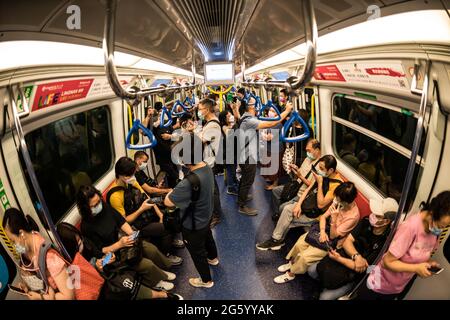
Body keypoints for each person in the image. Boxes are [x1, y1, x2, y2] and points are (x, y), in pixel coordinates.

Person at [77, 185, 176, 292]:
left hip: (124, 240)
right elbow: (99, 251)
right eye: (94, 205)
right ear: (86, 208)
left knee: (151, 249)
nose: (98, 206)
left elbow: (121, 221)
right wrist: (119, 245)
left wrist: (132, 234)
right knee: (146, 265)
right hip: (112, 254)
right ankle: (157, 281)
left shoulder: (104, 207)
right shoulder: (86, 227)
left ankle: (161, 271)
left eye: (98, 202)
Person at [357, 191, 450, 300]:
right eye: (441, 225)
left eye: (445, 227)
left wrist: (428, 263)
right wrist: (416, 268)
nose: (441, 229)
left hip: (397, 287)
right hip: (378, 285)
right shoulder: (410, 227)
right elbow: (387, 262)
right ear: (432, 213)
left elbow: (423, 253)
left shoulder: (435, 232)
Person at [57, 222, 183, 300]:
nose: (81, 243)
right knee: (128, 283)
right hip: (102, 281)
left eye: (80, 240)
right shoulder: (71, 264)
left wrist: (107, 259)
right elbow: (87, 279)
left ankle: (160, 281)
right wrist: (98, 268)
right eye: (77, 242)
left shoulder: (86, 242)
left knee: (148, 251)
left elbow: (99, 253)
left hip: (108, 268)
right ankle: (162, 294)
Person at [308, 198, 398, 300]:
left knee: (324, 297)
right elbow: (347, 242)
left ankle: (329, 287)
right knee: (311, 271)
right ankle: (323, 284)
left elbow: (362, 268)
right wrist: (357, 256)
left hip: (351, 273)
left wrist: (338, 259)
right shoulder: (366, 222)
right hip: (344, 256)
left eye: (377, 215)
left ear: (386, 221)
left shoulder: (385, 243)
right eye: (373, 213)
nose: (372, 216)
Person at [274, 182, 360, 283]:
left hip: (333, 242)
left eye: (339, 200)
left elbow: (333, 236)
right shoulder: (338, 201)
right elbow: (323, 217)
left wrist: (333, 219)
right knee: (300, 243)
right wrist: (323, 231)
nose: (336, 201)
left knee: (305, 257)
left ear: (347, 202)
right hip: (324, 230)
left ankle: (291, 273)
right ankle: (292, 262)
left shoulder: (353, 216)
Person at [164, 133, 219, 288]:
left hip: (193, 225)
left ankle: (206, 281)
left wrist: (172, 191)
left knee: (197, 252)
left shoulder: (188, 182)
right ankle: (213, 258)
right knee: (208, 238)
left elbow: (168, 202)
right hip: (206, 216)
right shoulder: (207, 168)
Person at [257, 155, 342, 251]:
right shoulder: (324, 175)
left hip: (316, 215)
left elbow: (321, 204)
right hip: (308, 205)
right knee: (287, 208)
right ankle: (276, 240)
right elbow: (308, 190)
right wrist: (298, 205)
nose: (319, 170)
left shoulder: (336, 185)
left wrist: (320, 183)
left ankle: (277, 240)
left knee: (287, 219)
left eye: (322, 168)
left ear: (330, 170)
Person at [107, 157, 182, 265]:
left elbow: (147, 197)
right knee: (167, 227)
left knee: (171, 212)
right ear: (122, 175)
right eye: (131, 174)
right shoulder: (115, 196)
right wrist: (141, 209)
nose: (133, 177)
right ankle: (166, 255)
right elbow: (124, 222)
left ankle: (168, 240)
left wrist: (160, 214)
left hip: (146, 213)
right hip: (136, 224)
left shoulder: (130, 182)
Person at [236, 98, 293, 216]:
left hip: (244, 154)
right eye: (255, 103)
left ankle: (242, 196)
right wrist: (287, 111)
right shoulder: (249, 120)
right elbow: (271, 123)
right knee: (248, 180)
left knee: (244, 179)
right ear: (251, 107)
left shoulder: (245, 117)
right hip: (248, 157)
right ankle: (242, 205)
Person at [2, 208, 74, 300]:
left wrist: (41, 297)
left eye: (13, 241)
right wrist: (27, 288)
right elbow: (40, 282)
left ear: (21, 234)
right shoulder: (25, 253)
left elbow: (69, 296)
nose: (13, 246)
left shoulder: (49, 257)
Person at [270, 139, 321, 221]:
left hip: (302, 192)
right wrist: (296, 169)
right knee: (275, 191)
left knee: (283, 207)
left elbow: (311, 186)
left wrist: (300, 176)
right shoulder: (308, 159)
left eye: (309, 150)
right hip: (296, 186)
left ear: (317, 150)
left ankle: (281, 215)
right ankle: (277, 213)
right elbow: (300, 172)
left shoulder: (320, 166)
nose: (307, 153)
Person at [197, 98, 224, 228]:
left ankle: (216, 215)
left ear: (207, 110)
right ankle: (215, 212)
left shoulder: (213, 125)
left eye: (200, 109)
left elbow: (200, 141)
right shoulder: (209, 122)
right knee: (213, 190)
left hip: (210, 162)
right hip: (208, 160)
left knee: (211, 191)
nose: (199, 111)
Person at [219, 109, 239, 195]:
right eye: (228, 115)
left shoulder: (229, 125)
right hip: (228, 153)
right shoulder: (224, 127)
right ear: (224, 118)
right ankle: (230, 188)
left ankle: (233, 183)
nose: (230, 116)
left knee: (233, 169)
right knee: (230, 171)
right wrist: (233, 124)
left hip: (232, 151)